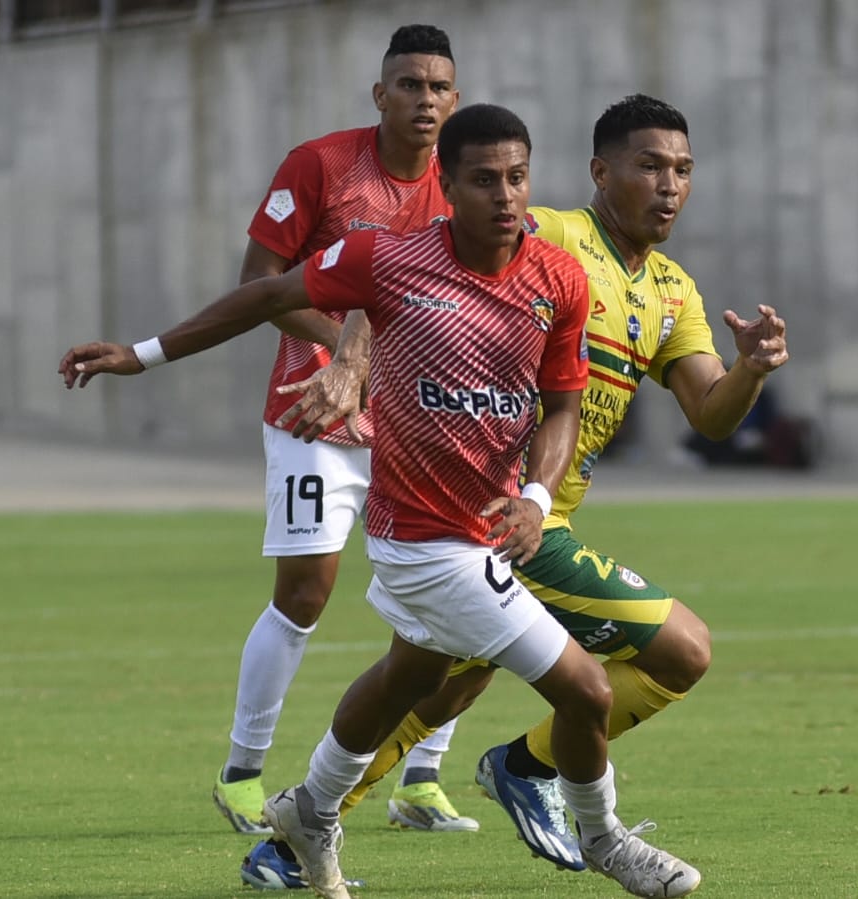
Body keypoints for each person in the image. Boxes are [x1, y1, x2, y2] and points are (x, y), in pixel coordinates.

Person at [60, 103, 700, 899]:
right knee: (586, 689)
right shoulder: (388, 260)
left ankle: (310, 810)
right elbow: (264, 296)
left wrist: (537, 494)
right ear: (447, 184)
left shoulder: (556, 279)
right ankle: (604, 841)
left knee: (408, 678)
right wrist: (141, 354)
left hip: (492, 526)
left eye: (517, 178)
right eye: (482, 180)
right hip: (426, 541)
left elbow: (562, 405)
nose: (505, 197)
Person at [278, 93, 789, 875]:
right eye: (648, 166)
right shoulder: (550, 231)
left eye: (682, 170)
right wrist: (351, 359)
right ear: (599, 171)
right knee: (680, 649)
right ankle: (530, 768)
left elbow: (711, 416)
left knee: (430, 688)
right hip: (490, 514)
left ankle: (292, 841)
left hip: (527, 519)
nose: (669, 186)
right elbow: (406, 263)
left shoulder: (673, 292)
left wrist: (750, 368)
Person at [213, 24, 480, 840]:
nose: (424, 100)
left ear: (454, 99)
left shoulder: (465, 182)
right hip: (315, 413)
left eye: (438, 87)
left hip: (420, 430)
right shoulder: (322, 166)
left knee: (454, 595)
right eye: (408, 84)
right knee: (305, 593)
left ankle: (422, 779)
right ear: (380, 94)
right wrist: (344, 347)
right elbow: (258, 284)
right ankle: (243, 774)